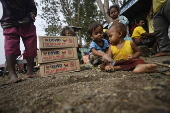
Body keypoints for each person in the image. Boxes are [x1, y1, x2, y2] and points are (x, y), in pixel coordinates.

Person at [0, 0, 39, 83]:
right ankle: (12, 74)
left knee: (31, 45)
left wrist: (30, 17)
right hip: (10, 22)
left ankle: (30, 71)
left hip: (27, 22)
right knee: (11, 45)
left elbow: (33, 8)